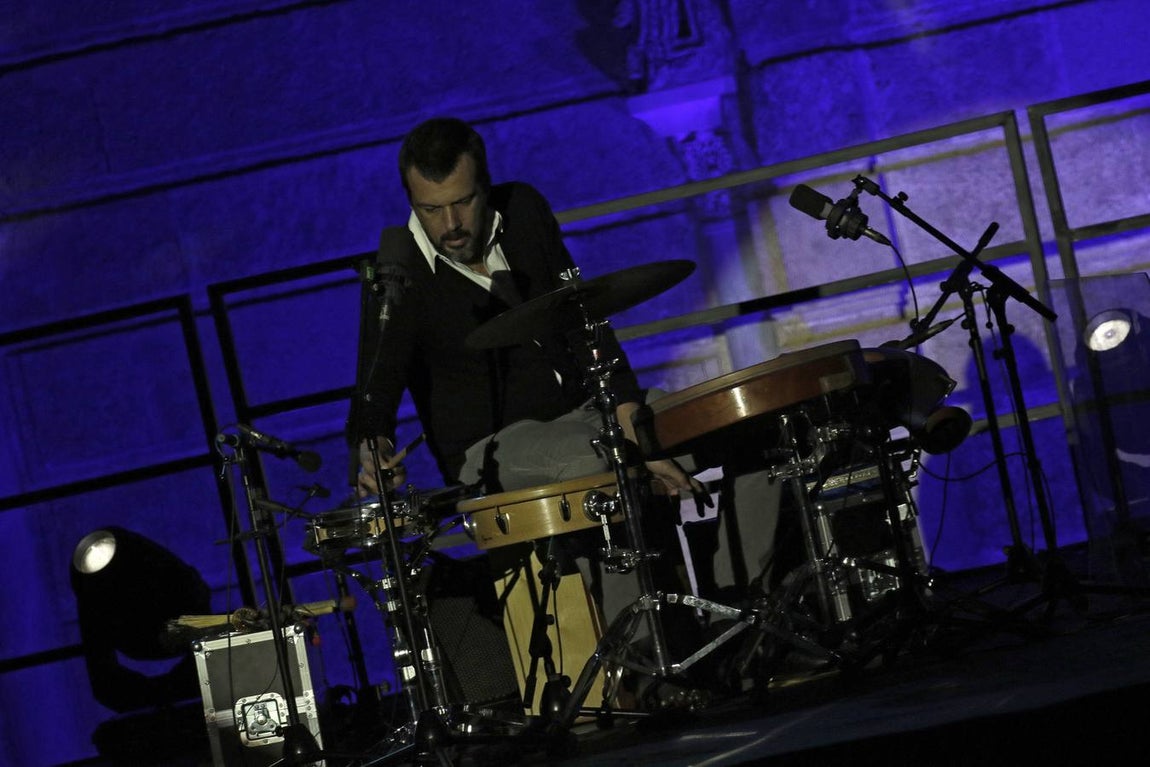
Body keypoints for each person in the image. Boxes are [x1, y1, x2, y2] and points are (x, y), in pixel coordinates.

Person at [347, 117, 702, 623]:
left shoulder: (524, 209)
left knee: (702, 423)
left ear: (485, 186)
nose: (450, 225)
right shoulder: (397, 272)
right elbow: (372, 395)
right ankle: (643, 656)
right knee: (591, 463)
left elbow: (585, 321)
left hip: (585, 410)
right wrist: (372, 449)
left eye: (463, 202)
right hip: (493, 445)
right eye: (430, 209)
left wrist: (630, 415)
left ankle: (752, 620)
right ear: (410, 201)